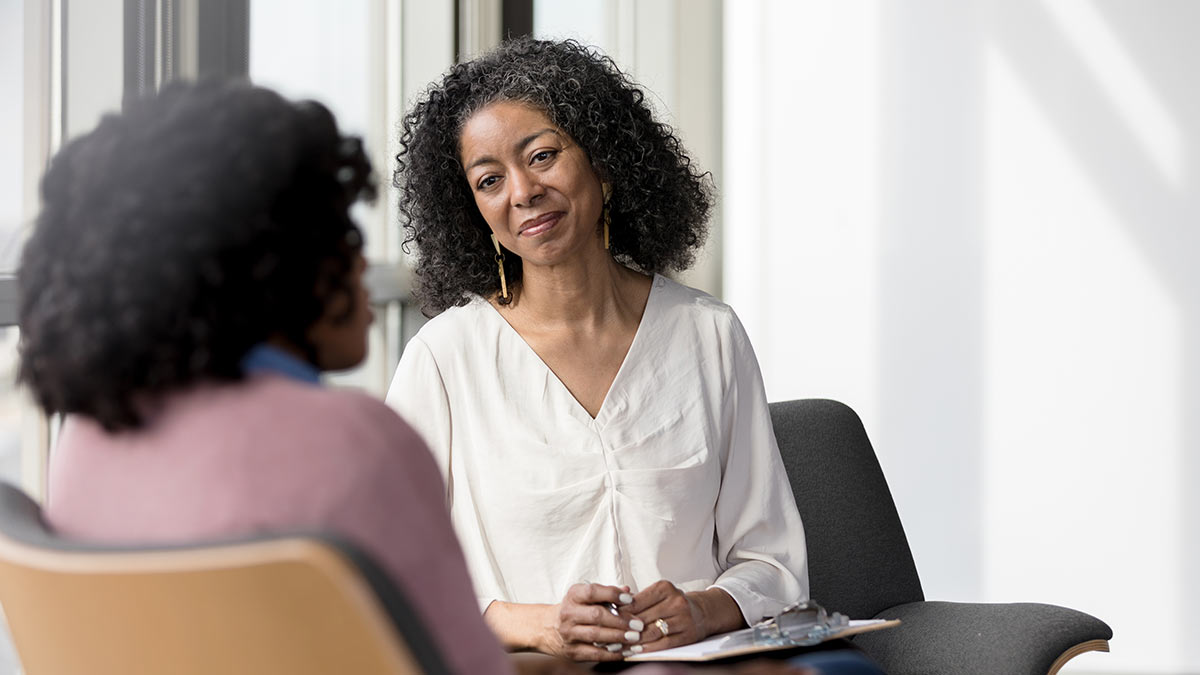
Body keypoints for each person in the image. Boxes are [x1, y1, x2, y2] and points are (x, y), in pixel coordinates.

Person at [18, 79, 841, 675]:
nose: (362, 260)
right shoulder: (354, 439)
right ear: (264, 263)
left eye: (544, 156)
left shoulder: (89, 442)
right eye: (336, 230)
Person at [385, 37, 811, 663]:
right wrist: (539, 624)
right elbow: (393, 574)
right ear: (472, 208)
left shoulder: (708, 335)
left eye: (544, 155)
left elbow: (771, 562)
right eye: (489, 179)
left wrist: (702, 609)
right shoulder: (444, 360)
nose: (523, 191)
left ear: (605, 163)